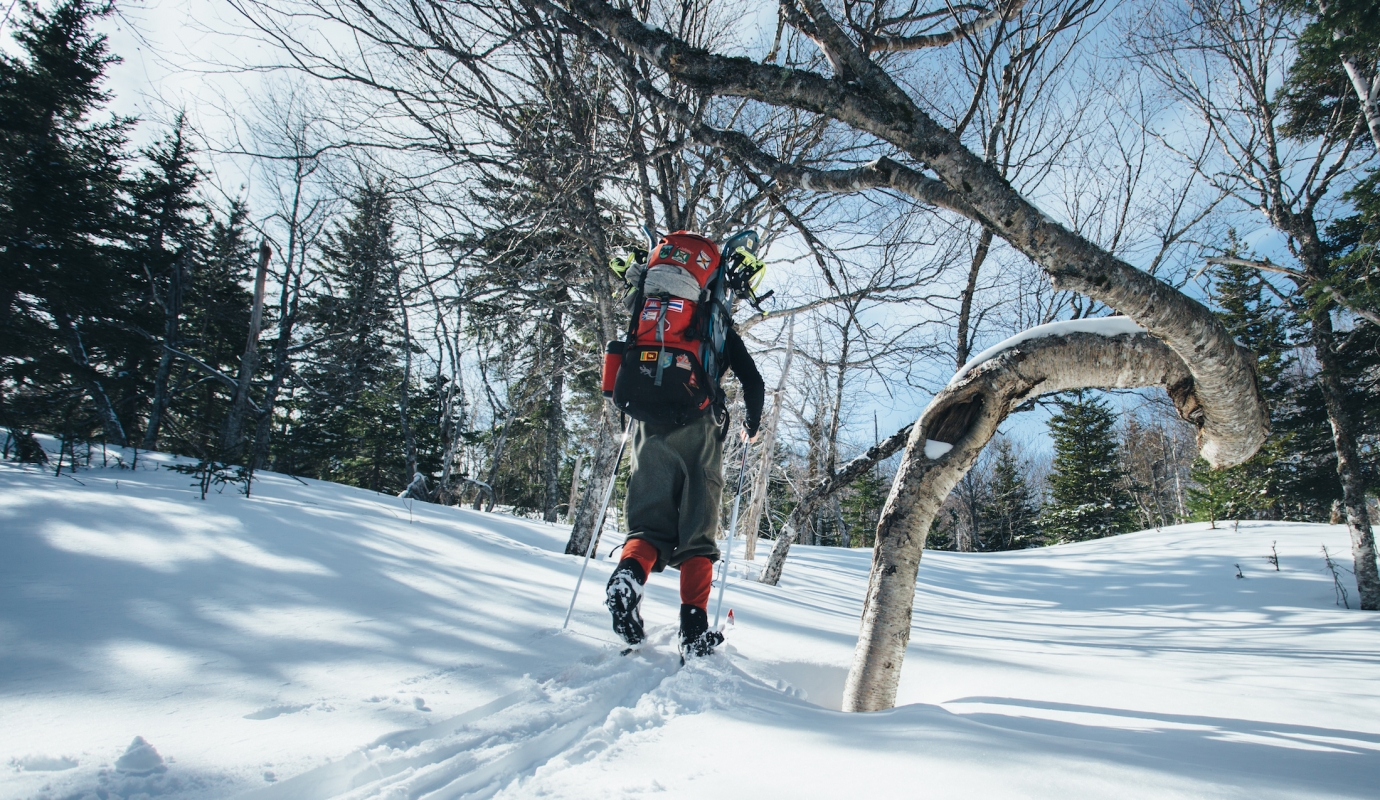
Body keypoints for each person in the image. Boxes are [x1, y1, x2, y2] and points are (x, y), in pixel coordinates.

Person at [605, 324, 764, 657]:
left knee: (646, 527)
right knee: (698, 534)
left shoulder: (654, 313)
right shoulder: (717, 327)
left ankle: (627, 578)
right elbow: (753, 381)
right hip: (700, 426)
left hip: (647, 425)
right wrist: (751, 426)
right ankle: (693, 632)